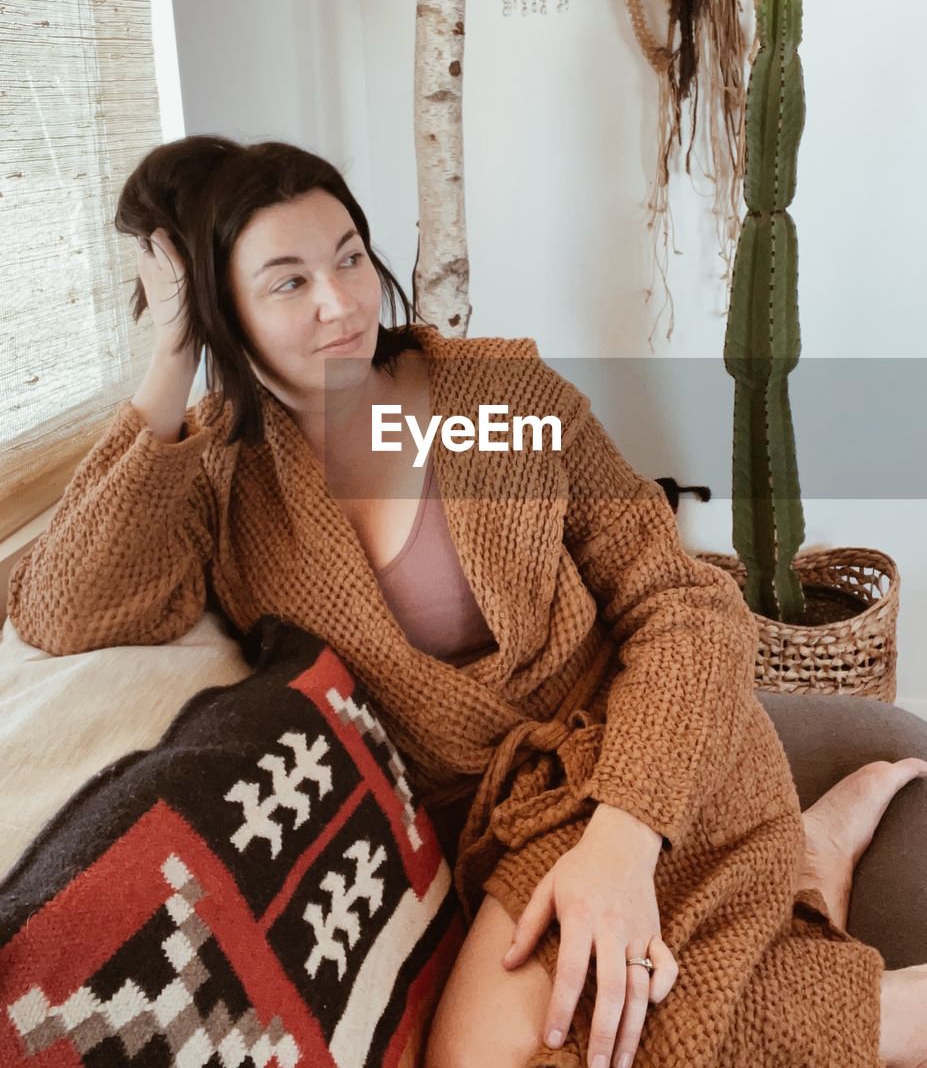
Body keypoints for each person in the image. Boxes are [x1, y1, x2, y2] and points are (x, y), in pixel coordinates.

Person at [8, 135, 927, 1068]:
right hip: (504, 825)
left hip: (657, 743)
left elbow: (680, 603)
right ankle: (820, 903)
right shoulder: (226, 476)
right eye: (286, 282)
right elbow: (64, 606)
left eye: (350, 259)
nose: (340, 303)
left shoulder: (494, 395)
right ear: (223, 310)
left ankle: (869, 980)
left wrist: (621, 840)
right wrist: (170, 356)